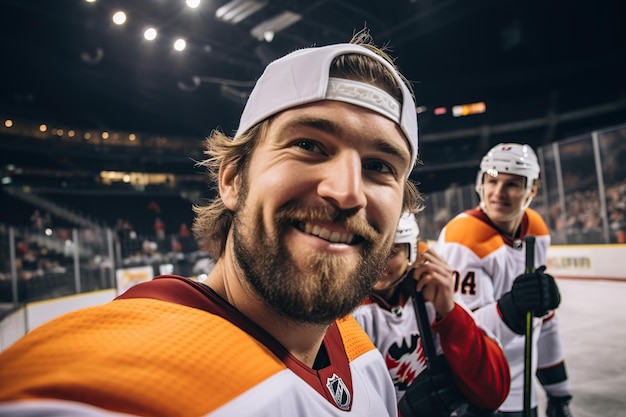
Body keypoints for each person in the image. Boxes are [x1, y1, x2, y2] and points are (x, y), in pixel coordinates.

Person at [0, 30, 422, 417]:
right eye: (309, 145)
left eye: (379, 166)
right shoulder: (91, 384)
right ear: (233, 179)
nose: (347, 192)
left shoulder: (361, 352)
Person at [435, 143, 573, 417]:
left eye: (512, 184)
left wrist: (559, 392)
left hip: (523, 393)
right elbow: (461, 333)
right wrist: (512, 308)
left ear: (532, 189)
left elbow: (543, 322)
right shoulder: (463, 238)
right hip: (477, 394)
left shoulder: (536, 228)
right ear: (481, 183)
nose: (498, 193)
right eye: (492, 180)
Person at [353, 212, 511, 416]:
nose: (378, 261)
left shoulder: (432, 291)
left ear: (411, 251)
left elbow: (493, 391)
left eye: (392, 250)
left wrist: (450, 313)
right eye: (369, 246)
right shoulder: (342, 314)